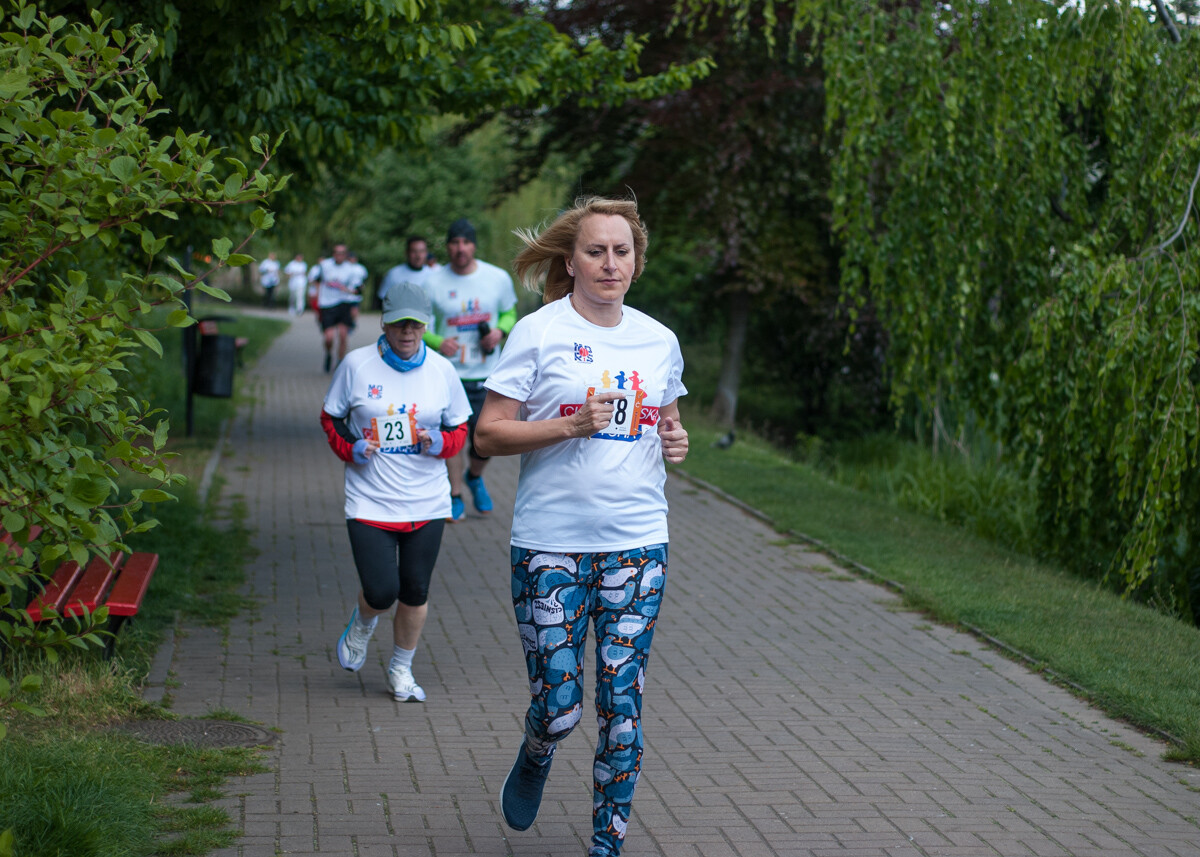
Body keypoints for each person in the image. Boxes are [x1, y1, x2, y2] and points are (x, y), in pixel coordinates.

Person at [473, 197, 689, 857]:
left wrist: (676, 438)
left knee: (622, 712)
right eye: (596, 251)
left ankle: (606, 847)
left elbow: (667, 420)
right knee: (561, 707)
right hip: (550, 547)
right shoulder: (538, 332)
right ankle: (538, 747)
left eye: (622, 251)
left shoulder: (659, 340)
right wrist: (569, 425)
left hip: (637, 545)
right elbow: (488, 433)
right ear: (570, 261)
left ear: (636, 262)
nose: (609, 263)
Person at [320, 281, 472, 702]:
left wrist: (439, 442)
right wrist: (352, 448)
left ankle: (401, 669)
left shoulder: (442, 369)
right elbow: (331, 418)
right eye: (399, 323)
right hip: (370, 499)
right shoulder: (356, 364)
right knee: (381, 591)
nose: (407, 332)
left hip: (427, 500)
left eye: (415, 324)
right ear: (384, 323)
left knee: (415, 590)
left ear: (426, 326)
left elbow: (459, 428)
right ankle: (363, 622)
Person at [422, 218, 519, 521]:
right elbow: (420, 325)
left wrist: (499, 332)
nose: (460, 249)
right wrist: (438, 342)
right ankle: (454, 495)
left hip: (488, 374)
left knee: (486, 440)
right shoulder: (432, 282)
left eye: (466, 242)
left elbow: (509, 313)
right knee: (453, 439)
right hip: (449, 375)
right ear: (447, 246)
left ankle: (474, 477)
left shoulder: (497, 278)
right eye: (454, 243)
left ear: (474, 246)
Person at [315, 244, 365, 372]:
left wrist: (348, 290)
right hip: (327, 304)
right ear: (333, 254)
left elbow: (357, 289)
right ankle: (328, 354)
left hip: (344, 303)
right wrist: (317, 297)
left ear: (346, 255)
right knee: (329, 337)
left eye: (342, 253)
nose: (339, 255)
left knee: (343, 335)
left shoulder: (351, 269)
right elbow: (317, 280)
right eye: (337, 252)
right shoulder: (325, 265)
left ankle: (340, 361)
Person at [378, 235, 432, 305]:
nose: (418, 256)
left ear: (426, 253)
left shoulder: (433, 275)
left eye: (422, 251)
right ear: (407, 253)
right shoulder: (394, 274)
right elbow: (383, 300)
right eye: (414, 251)